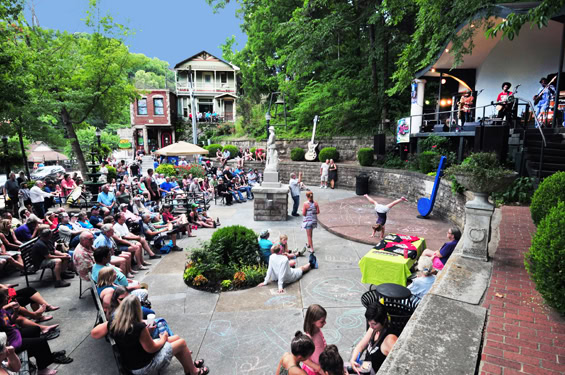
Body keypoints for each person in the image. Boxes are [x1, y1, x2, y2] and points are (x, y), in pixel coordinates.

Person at [91, 295, 209, 375]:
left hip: (132, 360)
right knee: (181, 343)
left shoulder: (114, 322)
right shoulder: (138, 327)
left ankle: (188, 368)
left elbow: (95, 333)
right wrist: (163, 339)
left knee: (177, 338)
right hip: (143, 367)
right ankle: (193, 372)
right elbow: (151, 348)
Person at [0, 289, 73, 375]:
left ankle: (38, 355)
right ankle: (42, 369)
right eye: (5, 297)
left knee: (35, 329)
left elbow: (11, 321)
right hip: (9, 342)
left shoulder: (2, 310)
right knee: (41, 342)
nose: (7, 298)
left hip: (13, 334)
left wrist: (16, 311)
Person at [349, 303, 398, 374]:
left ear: (383, 321)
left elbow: (399, 362)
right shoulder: (374, 329)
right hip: (365, 368)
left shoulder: (389, 339)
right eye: (369, 323)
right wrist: (353, 360)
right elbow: (361, 346)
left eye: (374, 324)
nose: (371, 326)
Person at [302, 304, 328, 375]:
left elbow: (323, 341)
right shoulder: (309, 338)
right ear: (313, 321)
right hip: (313, 371)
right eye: (322, 321)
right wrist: (318, 368)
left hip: (320, 366)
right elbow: (303, 359)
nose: (325, 323)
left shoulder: (318, 330)